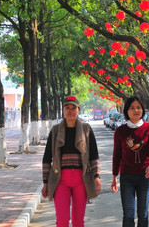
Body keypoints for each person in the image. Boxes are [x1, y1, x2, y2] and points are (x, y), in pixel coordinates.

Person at [42, 95, 101, 227]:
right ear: (63, 110)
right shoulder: (55, 131)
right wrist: (45, 182)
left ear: (78, 110)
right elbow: (47, 158)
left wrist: (96, 176)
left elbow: (94, 155)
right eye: (67, 107)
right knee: (62, 219)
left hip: (82, 179)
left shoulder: (86, 129)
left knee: (78, 221)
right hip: (60, 180)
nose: (70, 110)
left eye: (73, 108)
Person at [111, 96, 149, 227]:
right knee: (128, 214)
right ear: (127, 111)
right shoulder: (120, 131)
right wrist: (114, 176)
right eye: (132, 108)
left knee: (143, 214)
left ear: (142, 110)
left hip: (145, 177)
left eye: (138, 107)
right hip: (127, 177)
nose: (136, 110)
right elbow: (117, 155)